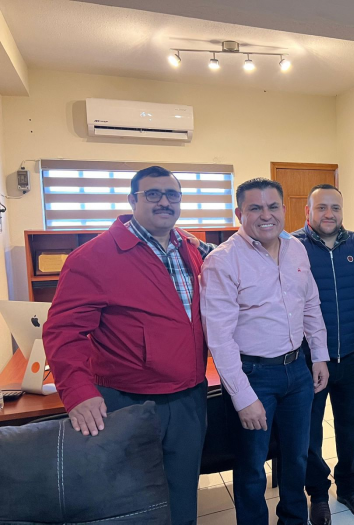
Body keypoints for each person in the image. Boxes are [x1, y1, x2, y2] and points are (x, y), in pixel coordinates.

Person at [43, 166, 211, 525]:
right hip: (129, 400)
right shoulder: (93, 257)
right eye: (153, 194)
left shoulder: (188, 248)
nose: (164, 202)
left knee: (182, 492)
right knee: (128, 498)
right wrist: (77, 392)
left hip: (189, 397)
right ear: (133, 200)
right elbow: (63, 331)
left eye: (172, 194)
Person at [200, 178, 330, 525]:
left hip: (297, 370)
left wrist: (319, 355)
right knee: (251, 466)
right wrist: (242, 397)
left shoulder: (296, 249)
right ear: (239, 213)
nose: (266, 215)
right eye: (255, 208)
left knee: (296, 458)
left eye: (272, 206)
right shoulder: (222, 261)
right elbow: (219, 338)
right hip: (253, 375)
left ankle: (293, 520)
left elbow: (311, 304)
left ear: (284, 209)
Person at [292, 184, 354, 524]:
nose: (329, 214)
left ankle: (348, 487)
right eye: (322, 207)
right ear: (308, 212)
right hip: (309, 361)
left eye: (335, 208)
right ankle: (318, 493)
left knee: (351, 426)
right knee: (310, 432)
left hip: (350, 357)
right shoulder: (291, 246)